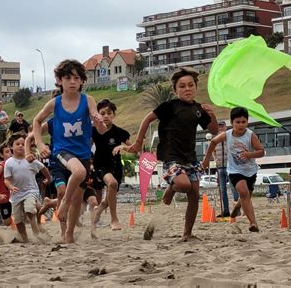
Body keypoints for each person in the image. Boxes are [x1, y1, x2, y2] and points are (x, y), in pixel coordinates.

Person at [129, 67, 218, 241]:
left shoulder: (199, 109)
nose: (187, 89)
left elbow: (213, 130)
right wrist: (139, 141)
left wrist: (212, 115)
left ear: (196, 87)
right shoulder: (169, 106)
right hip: (171, 156)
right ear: (175, 90)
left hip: (190, 158)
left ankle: (187, 233)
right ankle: (170, 189)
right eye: (182, 86)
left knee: (194, 195)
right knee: (184, 186)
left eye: (190, 85)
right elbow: (148, 119)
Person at [29, 59, 106, 243]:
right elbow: (37, 122)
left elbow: (101, 131)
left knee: (78, 199)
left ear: (82, 81)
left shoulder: (88, 100)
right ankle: (62, 203)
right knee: (78, 173)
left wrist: (98, 122)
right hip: (62, 152)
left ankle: (69, 236)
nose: (72, 81)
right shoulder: (54, 103)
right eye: (67, 77)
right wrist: (40, 144)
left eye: (76, 78)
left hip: (84, 155)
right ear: (60, 81)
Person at [202, 107, 264, 233]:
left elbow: (261, 152)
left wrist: (249, 155)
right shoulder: (227, 135)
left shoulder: (251, 135)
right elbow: (213, 142)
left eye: (243, 122)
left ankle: (237, 207)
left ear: (247, 122)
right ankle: (253, 223)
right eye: (237, 122)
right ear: (232, 122)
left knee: (246, 195)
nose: (241, 125)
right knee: (243, 192)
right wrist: (206, 160)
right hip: (234, 170)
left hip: (250, 171)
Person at [92, 99, 131, 231]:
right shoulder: (93, 131)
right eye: (102, 113)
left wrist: (122, 147)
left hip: (116, 166)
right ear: (98, 115)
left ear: (114, 114)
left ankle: (100, 208)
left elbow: (135, 148)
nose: (106, 116)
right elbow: (85, 147)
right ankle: (114, 220)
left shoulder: (120, 132)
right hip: (100, 165)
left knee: (111, 194)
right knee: (112, 184)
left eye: (109, 113)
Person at [4, 132, 51, 242]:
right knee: (18, 220)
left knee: (30, 210)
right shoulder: (9, 163)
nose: (21, 146)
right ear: (11, 146)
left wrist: (48, 178)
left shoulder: (31, 160)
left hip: (31, 191)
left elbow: (43, 168)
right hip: (16, 195)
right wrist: (10, 187)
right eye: (17, 144)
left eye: (23, 144)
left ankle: (36, 233)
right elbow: (6, 179)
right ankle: (25, 238)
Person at [213, 121, 239, 217]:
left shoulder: (230, 137)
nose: (220, 128)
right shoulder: (215, 138)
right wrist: (215, 159)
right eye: (219, 126)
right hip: (220, 167)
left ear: (225, 127)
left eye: (222, 126)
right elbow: (213, 150)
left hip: (230, 167)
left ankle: (237, 209)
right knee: (222, 190)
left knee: (234, 188)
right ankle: (226, 211)